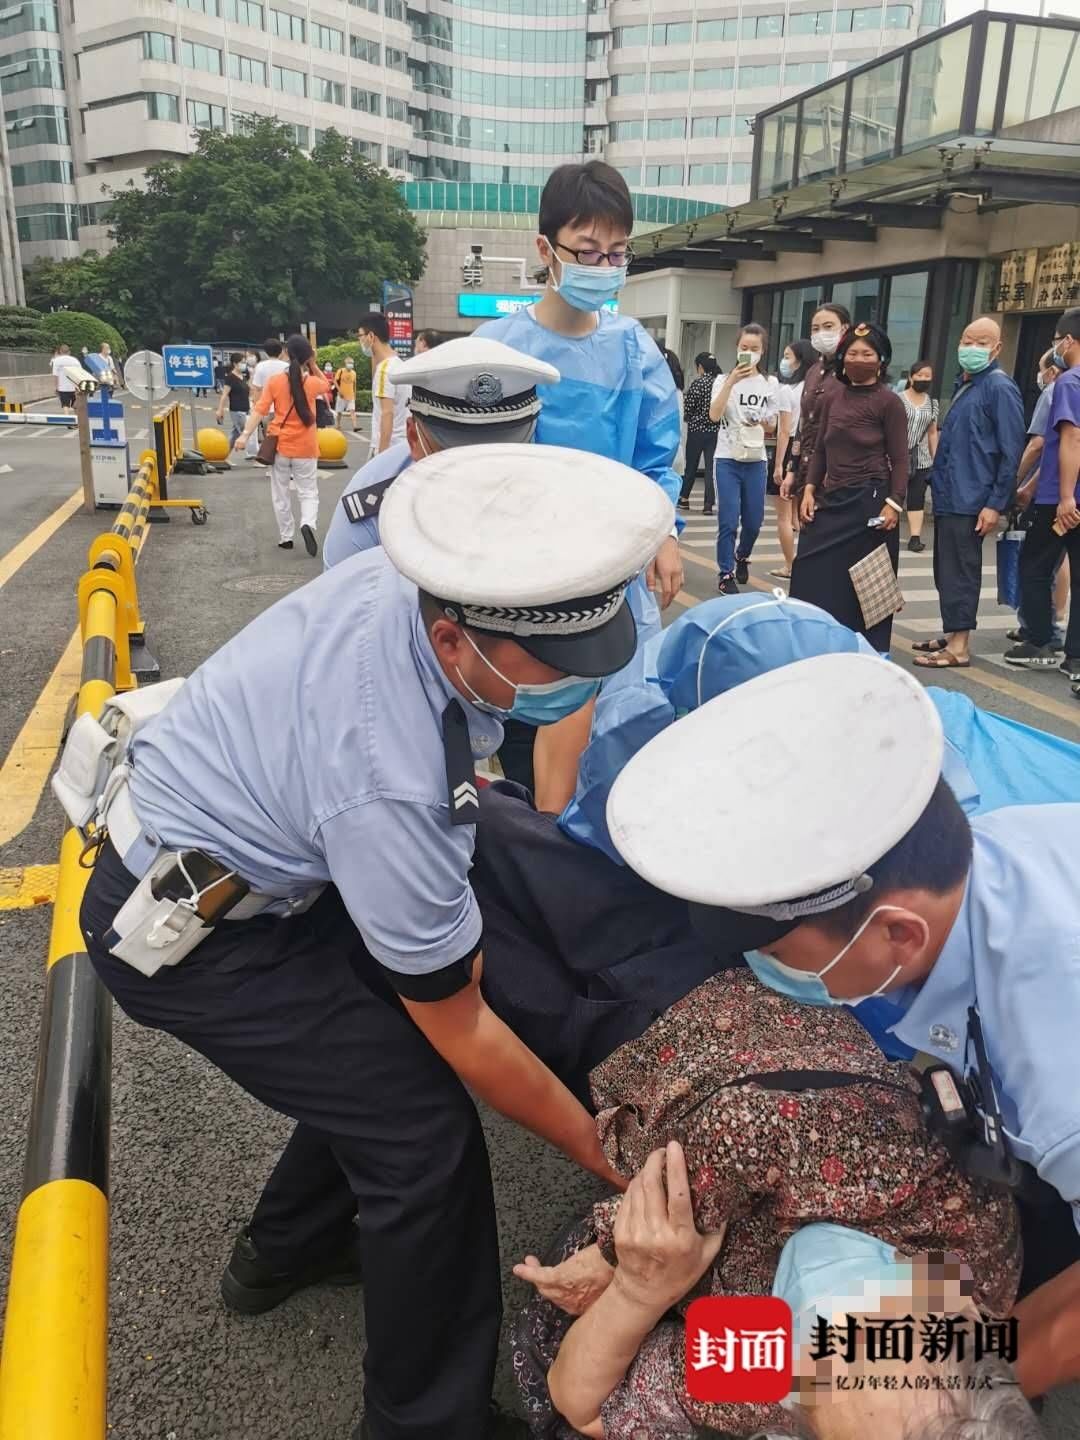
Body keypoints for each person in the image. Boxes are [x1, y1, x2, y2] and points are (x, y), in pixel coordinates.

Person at [70, 444, 673, 1440]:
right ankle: (423, 1424)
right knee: (422, 1135)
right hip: (199, 938)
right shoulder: (393, 768)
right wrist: (606, 1155)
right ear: (452, 641)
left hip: (247, 877)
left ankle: (287, 1249)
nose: (574, 686)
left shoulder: (415, 577)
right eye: (557, 669)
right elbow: (466, 1026)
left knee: (370, 1063)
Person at [604, 649, 1080, 1401]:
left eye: (780, 952)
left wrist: (943, 1399)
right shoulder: (990, 856)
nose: (771, 974)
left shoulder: (1058, 1086)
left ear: (897, 934)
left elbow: (585, 1394)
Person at [520, 1171, 1038, 1440]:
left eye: (820, 1355)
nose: (823, 1309)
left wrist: (638, 1291)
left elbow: (584, 1405)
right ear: (969, 1320)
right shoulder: (969, 1227)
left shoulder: (770, 1367)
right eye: (878, 1333)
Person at [471, 160, 684, 789]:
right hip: (517, 579)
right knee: (520, 731)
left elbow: (655, 457)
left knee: (610, 734)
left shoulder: (633, 350)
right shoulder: (498, 352)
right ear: (546, 248)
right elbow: (467, 472)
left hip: (611, 578)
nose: (604, 267)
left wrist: (665, 534)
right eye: (588, 251)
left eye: (617, 253)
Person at [323, 337, 559, 570]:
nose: (483, 475)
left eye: (503, 454)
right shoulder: (372, 507)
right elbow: (345, 598)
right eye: (456, 459)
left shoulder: (561, 496)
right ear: (414, 438)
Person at [913, 316, 1025, 671]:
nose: (970, 348)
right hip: (951, 495)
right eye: (966, 340)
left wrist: (995, 504)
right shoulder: (968, 384)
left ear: (997, 348)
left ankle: (959, 646)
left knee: (960, 571)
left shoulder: (999, 388)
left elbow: (1011, 451)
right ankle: (953, 632)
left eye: (980, 342)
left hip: (973, 499)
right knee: (946, 570)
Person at [791, 321, 909, 653]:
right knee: (809, 570)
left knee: (867, 586)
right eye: (853, 353)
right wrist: (810, 488)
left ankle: (872, 655)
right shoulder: (833, 397)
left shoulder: (889, 402)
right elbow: (822, 449)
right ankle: (814, 644)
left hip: (871, 502)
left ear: (881, 360)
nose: (859, 358)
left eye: (867, 353)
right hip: (833, 498)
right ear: (843, 358)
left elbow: (900, 459)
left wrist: (895, 503)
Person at [1006, 324, 1080, 674]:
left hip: (1060, 499)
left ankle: (1039, 640)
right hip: (1060, 493)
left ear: (1067, 341)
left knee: (1033, 567)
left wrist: (1065, 496)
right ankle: (1075, 657)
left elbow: (1070, 440)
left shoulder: (1068, 382)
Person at [232, 333, 329, 557]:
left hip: (281, 446)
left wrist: (245, 435)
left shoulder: (275, 382)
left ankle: (286, 537)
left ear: (286, 353)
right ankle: (308, 523)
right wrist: (312, 364)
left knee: (280, 493)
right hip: (306, 447)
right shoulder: (312, 383)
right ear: (307, 356)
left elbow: (260, 410)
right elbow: (326, 385)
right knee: (308, 492)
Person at [708, 323, 779, 594]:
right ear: (737, 349)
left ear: (763, 351)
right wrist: (731, 382)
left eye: (754, 349)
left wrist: (763, 420)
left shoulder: (770, 383)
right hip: (727, 457)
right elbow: (714, 415)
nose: (749, 353)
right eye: (744, 348)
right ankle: (725, 573)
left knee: (753, 520)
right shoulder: (722, 380)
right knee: (728, 518)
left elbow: (772, 424)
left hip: (756, 459)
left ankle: (742, 555)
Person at [780, 302, 851, 505]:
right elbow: (802, 426)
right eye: (815, 329)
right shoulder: (813, 372)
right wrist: (791, 469)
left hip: (837, 472)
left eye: (829, 327)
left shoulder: (852, 371)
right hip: (806, 467)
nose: (821, 333)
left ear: (845, 328)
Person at [771, 336, 815, 578]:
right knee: (805, 513)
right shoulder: (816, 387)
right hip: (812, 453)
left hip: (792, 453)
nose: (784, 362)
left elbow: (785, 431)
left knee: (784, 517)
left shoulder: (787, 391)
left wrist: (779, 464)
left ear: (800, 360)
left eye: (788, 357)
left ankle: (790, 565)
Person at [899, 358, 939, 553]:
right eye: (920, 375)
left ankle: (915, 537)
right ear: (910, 377)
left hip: (920, 457)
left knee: (917, 497)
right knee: (894, 494)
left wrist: (936, 458)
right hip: (896, 456)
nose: (923, 379)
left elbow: (932, 433)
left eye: (927, 376)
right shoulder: (898, 399)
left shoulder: (932, 404)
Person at [676, 352, 720, 516]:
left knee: (691, 466)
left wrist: (691, 418)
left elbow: (688, 409)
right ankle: (708, 504)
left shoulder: (697, 384)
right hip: (715, 431)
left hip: (696, 431)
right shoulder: (719, 384)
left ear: (700, 367)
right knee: (711, 468)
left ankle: (684, 498)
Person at [359, 312, 408, 458]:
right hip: (401, 446)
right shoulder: (398, 365)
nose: (359, 341)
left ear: (371, 337)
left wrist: (382, 456)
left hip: (388, 447)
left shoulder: (385, 371)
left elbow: (387, 413)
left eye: (360, 336)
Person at [214, 353, 251, 455]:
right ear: (235, 363)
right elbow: (224, 394)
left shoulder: (243, 377)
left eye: (245, 363)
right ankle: (253, 454)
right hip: (237, 410)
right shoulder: (231, 377)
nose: (244, 365)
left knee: (234, 435)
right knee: (246, 432)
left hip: (245, 409)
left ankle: (223, 455)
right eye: (242, 362)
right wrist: (220, 410)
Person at [51, 342, 80, 409]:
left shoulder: (56, 361)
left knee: (65, 405)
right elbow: (80, 373)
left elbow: (56, 375)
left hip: (62, 388)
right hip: (74, 387)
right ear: (69, 351)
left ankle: (67, 418)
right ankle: (76, 418)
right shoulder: (75, 360)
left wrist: (56, 387)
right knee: (75, 406)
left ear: (60, 351)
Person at [334, 356, 359, 431]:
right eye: (349, 363)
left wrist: (354, 394)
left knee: (352, 411)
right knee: (339, 412)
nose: (350, 364)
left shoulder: (354, 373)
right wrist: (339, 391)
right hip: (342, 396)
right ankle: (338, 425)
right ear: (345, 363)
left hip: (351, 396)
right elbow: (335, 381)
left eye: (352, 363)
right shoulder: (340, 371)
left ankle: (355, 426)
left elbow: (354, 384)